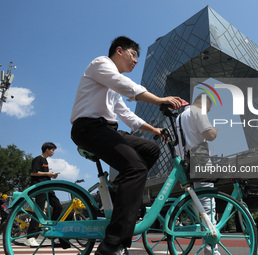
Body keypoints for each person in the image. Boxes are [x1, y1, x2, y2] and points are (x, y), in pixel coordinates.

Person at [70, 36, 182, 255]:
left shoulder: (112, 85)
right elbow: (126, 85)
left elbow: (128, 116)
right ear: (119, 51)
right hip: (89, 128)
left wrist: (155, 131)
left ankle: (117, 192)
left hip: (107, 129)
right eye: (133, 55)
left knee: (151, 149)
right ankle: (112, 244)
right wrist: (159, 99)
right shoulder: (101, 64)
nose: (136, 61)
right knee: (136, 168)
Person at [175, 94, 220, 255]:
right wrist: (215, 129)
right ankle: (211, 251)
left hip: (184, 163)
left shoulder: (180, 117)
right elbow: (210, 135)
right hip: (199, 161)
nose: (208, 111)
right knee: (208, 207)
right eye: (209, 108)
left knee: (198, 205)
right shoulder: (197, 111)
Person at [25, 142, 70, 249]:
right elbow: (33, 173)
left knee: (58, 206)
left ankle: (50, 228)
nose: (53, 152)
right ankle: (30, 237)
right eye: (52, 150)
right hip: (40, 187)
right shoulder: (38, 159)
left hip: (48, 187)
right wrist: (48, 174)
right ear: (47, 149)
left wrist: (51, 175)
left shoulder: (45, 161)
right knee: (39, 210)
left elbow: (43, 174)